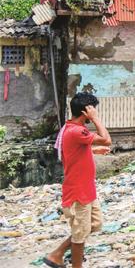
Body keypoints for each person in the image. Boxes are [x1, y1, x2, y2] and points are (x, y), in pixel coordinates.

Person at [44, 92, 112, 268]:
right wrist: (96, 119)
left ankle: (57, 254)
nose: (94, 113)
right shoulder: (77, 130)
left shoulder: (69, 129)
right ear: (85, 112)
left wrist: (94, 151)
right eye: (92, 110)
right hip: (78, 192)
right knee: (80, 233)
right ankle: (70, 262)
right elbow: (106, 140)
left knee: (93, 225)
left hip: (87, 189)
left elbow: (73, 151)